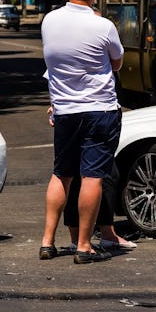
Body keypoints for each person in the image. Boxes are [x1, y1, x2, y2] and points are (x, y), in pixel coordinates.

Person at [39, 0, 124, 264]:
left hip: (64, 110)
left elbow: (53, 60)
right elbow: (117, 63)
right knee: (92, 177)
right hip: (99, 109)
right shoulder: (103, 26)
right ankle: (84, 246)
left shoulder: (49, 21)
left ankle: (47, 241)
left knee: (61, 174)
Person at [44, 104, 137, 252]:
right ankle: (86, 243)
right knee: (96, 176)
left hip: (67, 111)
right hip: (97, 110)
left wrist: (56, 103)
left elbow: (54, 81)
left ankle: (49, 243)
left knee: (65, 176)